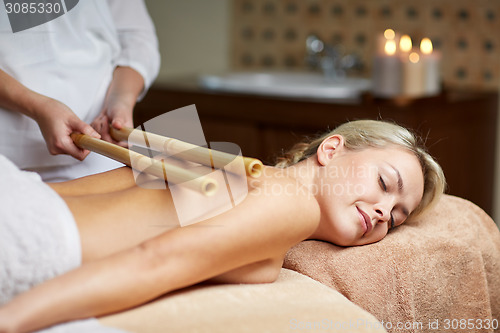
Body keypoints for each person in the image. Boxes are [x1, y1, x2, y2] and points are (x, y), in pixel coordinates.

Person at [0, 120, 446, 332]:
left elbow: (68, 191)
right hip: (28, 239)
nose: (385, 212)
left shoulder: (229, 165)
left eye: (398, 216)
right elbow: (156, 259)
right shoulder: (293, 202)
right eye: (385, 183)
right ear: (331, 150)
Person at [0, 0, 160, 182]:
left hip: (101, 150)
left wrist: (120, 100)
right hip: (6, 157)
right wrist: (37, 106)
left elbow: (136, 38)